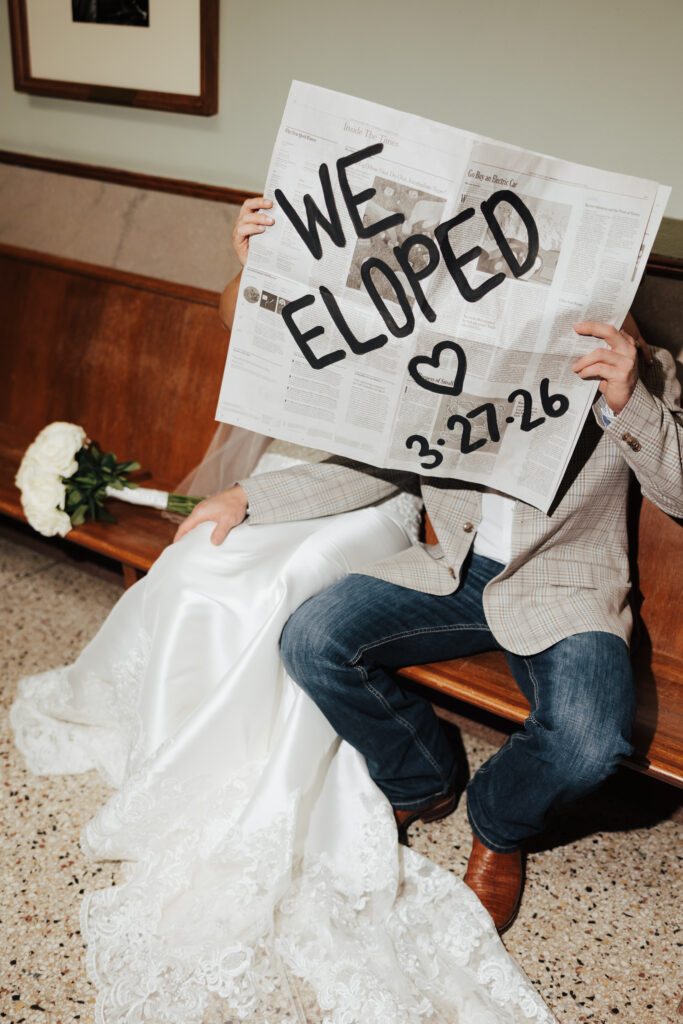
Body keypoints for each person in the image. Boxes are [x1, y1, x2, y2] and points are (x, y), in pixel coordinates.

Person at [11, 203, 564, 1023]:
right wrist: (249, 260)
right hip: (287, 469)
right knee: (201, 561)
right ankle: (181, 753)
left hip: (372, 494)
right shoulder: (320, 255)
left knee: (294, 577)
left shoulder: (451, 296)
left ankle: (282, 771)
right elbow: (241, 322)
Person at [177, 196, 683, 936]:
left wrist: (626, 399)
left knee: (587, 740)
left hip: (562, 586)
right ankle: (421, 777)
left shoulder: (647, 372)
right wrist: (247, 495)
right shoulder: (442, 355)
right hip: (451, 572)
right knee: (312, 638)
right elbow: (376, 468)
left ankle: (497, 826)